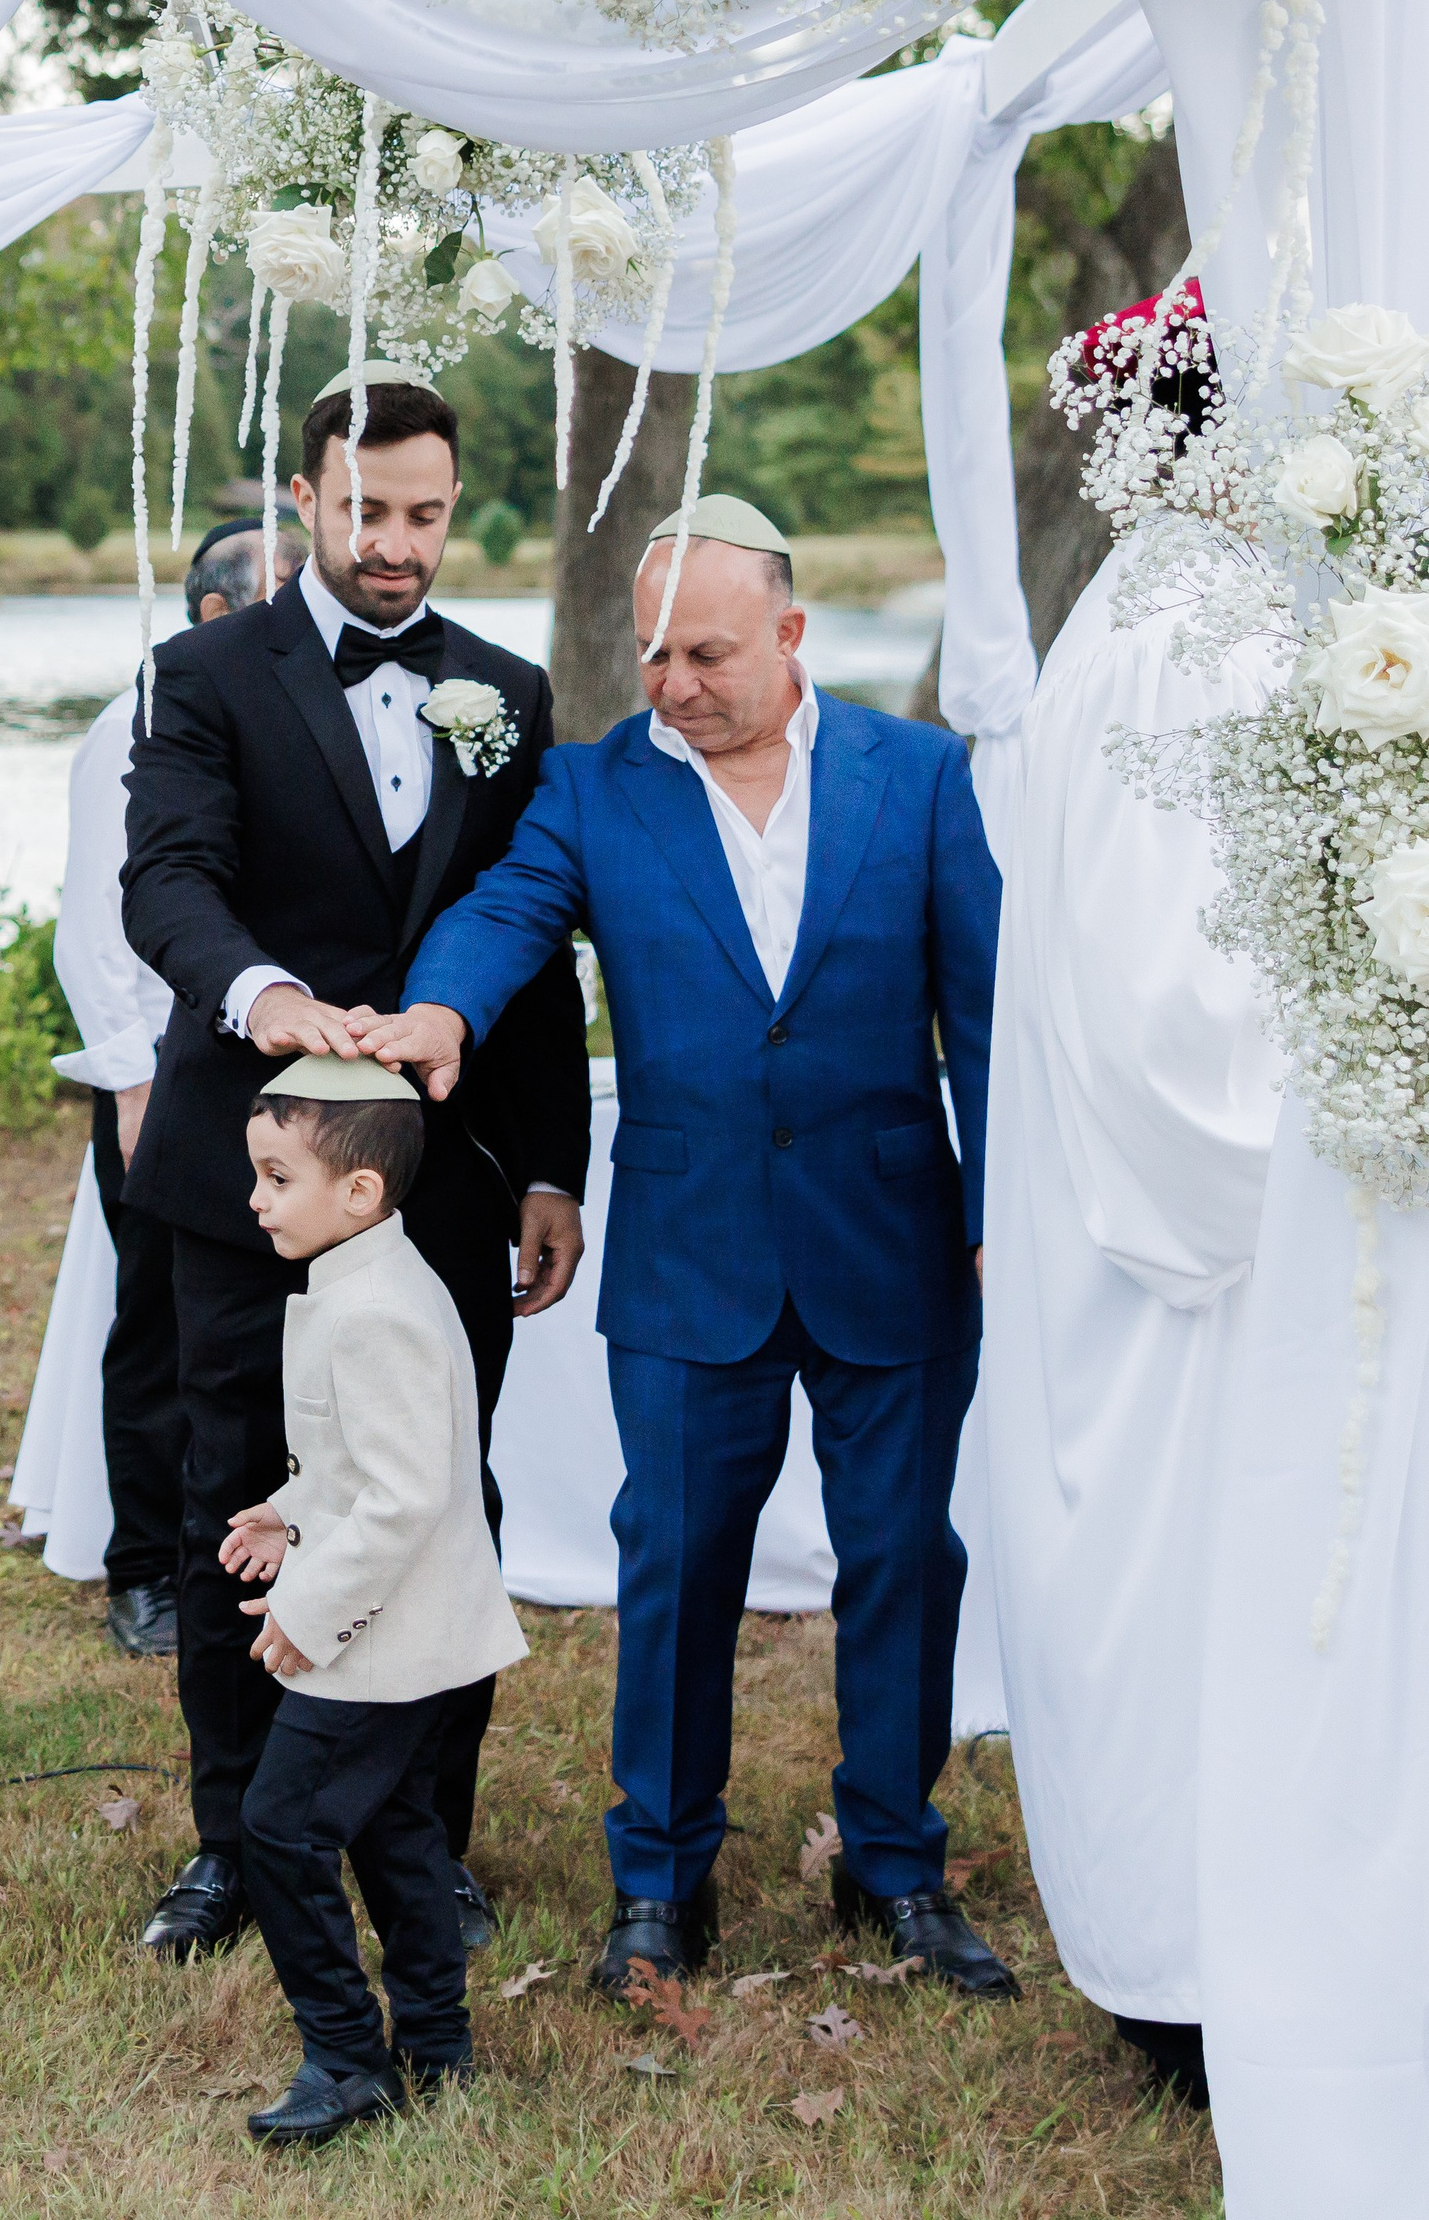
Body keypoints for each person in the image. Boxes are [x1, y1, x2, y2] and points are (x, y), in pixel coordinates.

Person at [359, 495, 1016, 2000]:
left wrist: (996, 1214)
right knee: (674, 1569)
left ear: (792, 635)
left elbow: (984, 1022)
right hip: (689, 1250)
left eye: (705, 653)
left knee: (905, 1559)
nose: (670, 683)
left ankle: (895, 1870)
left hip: (894, 1236)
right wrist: (442, 1013)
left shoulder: (920, 778)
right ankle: (661, 1887)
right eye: (651, 652)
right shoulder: (597, 791)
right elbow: (507, 909)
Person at [119, 367, 589, 1963]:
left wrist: (547, 1169)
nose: (396, 545)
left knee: (436, 1498)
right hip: (247, 1170)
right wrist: (271, 1003)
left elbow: (532, 954)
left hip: (448, 1183)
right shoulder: (201, 674)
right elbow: (167, 884)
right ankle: (238, 1846)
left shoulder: (507, 689)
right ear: (308, 500)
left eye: (426, 514)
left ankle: (420, 1841)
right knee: (229, 1502)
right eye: (367, 510)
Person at [984, 303, 1282, 2106]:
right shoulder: (1199, 629)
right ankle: (1196, 1968)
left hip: (1138, 1213)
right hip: (1190, 1237)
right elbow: (1188, 1003)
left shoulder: (1158, 604)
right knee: (1193, 1579)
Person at [224, 1055, 530, 2148]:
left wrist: (310, 1613)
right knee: (395, 1830)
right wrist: (285, 1513)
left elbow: (407, 1498)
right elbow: (361, 1467)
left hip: (383, 1637)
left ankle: (348, 2057)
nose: (255, 1198)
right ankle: (436, 2045)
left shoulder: (378, 1312)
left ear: (357, 1189)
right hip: (411, 1627)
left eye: (275, 1176)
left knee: (279, 1829)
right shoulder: (368, 1280)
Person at [51, 514, 306, 1657]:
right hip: (165, 1074)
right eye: (285, 593)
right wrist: (130, 1080)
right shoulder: (139, 722)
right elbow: (98, 926)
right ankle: (143, 1565)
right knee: (157, 1323)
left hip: (280, 1070)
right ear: (215, 613)